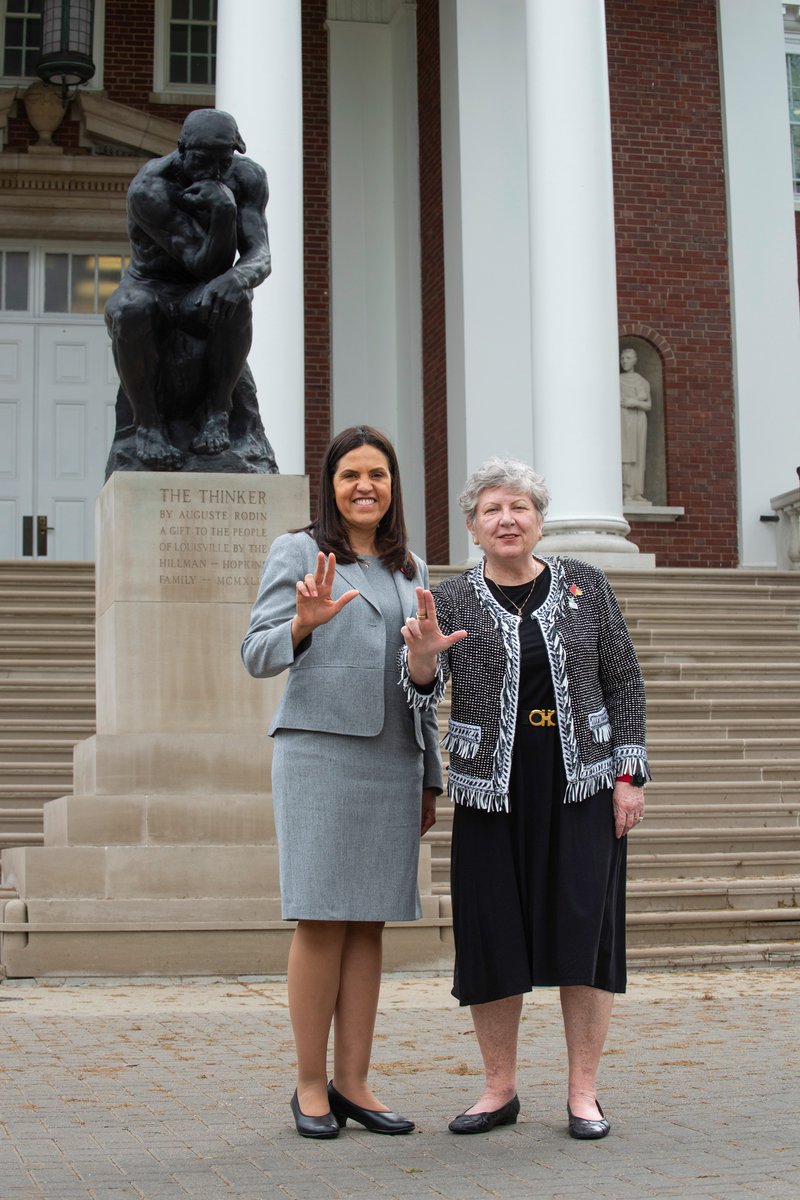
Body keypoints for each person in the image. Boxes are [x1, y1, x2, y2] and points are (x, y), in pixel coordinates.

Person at [400, 457, 649, 1140]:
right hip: (491, 790)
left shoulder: (585, 585)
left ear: (539, 519)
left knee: (586, 936)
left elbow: (624, 680)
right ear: (473, 528)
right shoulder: (446, 601)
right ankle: (499, 1088)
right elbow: (420, 691)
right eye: (491, 510)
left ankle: (583, 1092)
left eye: (520, 507)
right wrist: (422, 657)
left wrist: (628, 775)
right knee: (492, 936)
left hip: (582, 785)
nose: (507, 519)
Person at [241, 425, 443, 1139]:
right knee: (323, 916)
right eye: (351, 474)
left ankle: (354, 1082)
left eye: (378, 475)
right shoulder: (299, 551)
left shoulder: (409, 568)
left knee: (369, 922)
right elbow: (256, 653)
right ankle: (308, 1086)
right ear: (329, 484)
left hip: (394, 758)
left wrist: (430, 774)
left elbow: (426, 680)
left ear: (393, 487)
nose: (365, 486)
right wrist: (300, 625)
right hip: (320, 755)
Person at [105, 108, 271, 469]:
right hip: (154, 289)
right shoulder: (150, 187)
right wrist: (224, 212)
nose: (211, 170)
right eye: (201, 159)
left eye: (221, 160)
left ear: (235, 151)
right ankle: (148, 425)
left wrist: (240, 277)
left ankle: (218, 414)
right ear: (181, 149)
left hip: (200, 294)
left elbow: (260, 254)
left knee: (236, 296)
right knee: (129, 308)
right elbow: (202, 262)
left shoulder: (247, 177)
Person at [619, 347, 652, 503]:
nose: (624, 361)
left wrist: (635, 402)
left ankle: (636, 492)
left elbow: (648, 405)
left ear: (635, 360)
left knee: (638, 455)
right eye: (622, 358)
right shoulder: (617, 380)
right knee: (626, 454)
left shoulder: (642, 381)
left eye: (628, 358)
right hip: (623, 419)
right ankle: (626, 492)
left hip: (638, 420)